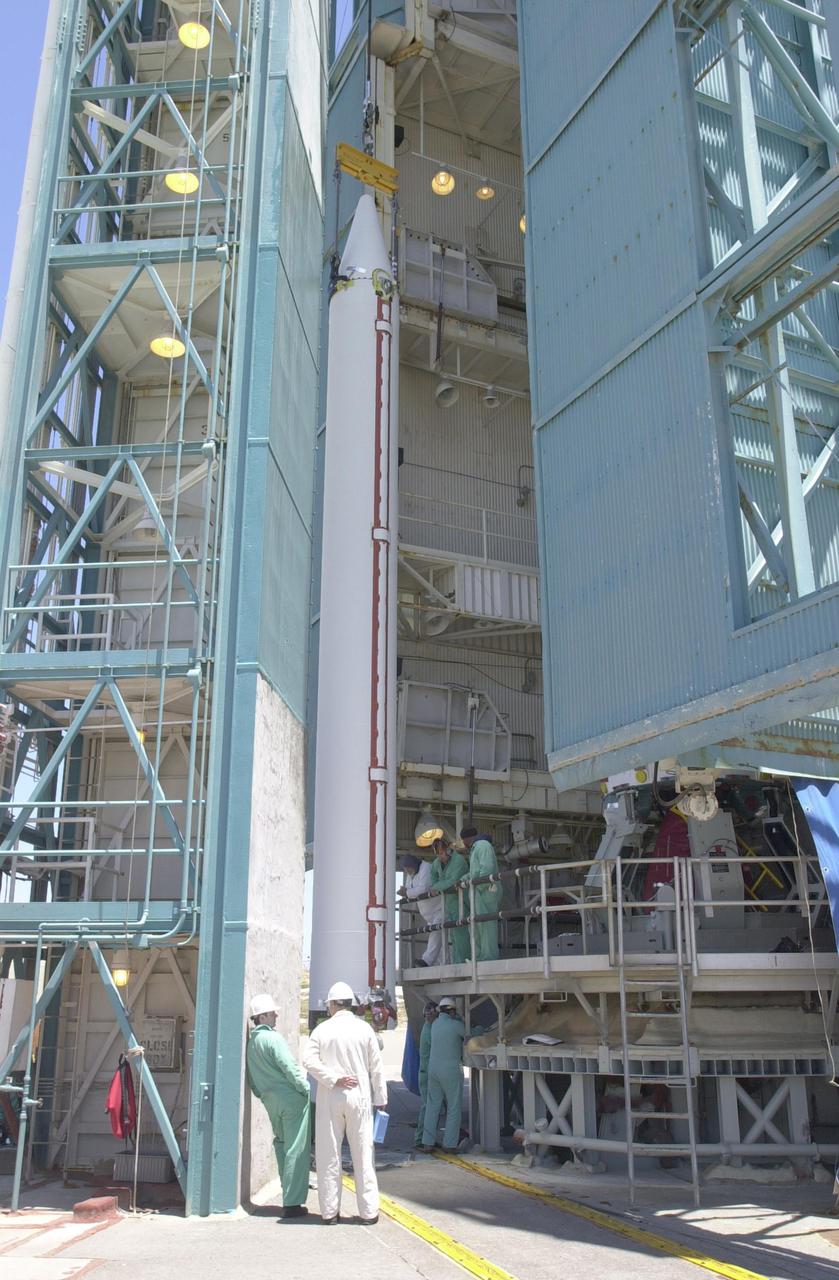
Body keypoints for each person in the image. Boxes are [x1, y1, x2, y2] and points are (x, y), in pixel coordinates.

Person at [303, 981, 387, 1226]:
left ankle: (330, 1213)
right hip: (360, 1097)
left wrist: (332, 1078)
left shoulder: (322, 1030)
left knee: (329, 1154)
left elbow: (308, 1059)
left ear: (331, 1004)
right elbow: (376, 1068)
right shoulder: (365, 1030)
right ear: (351, 1004)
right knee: (363, 1154)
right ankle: (369, 1212)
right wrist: (380, 1099)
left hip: (331, 1096)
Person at [245, 993, 311, 1220]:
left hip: (270, 1100)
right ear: (262, 1016)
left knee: (282, 1145)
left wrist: (263, 1095)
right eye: (272, 1012)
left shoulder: (253, 1043)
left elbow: (252, 1080)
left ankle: (288, 1194)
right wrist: (305, 1090)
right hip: (291, 1100)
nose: (276, 1015)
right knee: (296, 1149)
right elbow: (290, 1068)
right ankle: (292, 1203)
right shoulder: (274, 1039)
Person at [417, 997, 465, 1152]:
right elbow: (471, 1034)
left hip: (433, 1070)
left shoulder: (434, 1025)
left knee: (432, 1105)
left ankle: (427, 1142)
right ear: (452, 1010)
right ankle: (450, 1144)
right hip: (451, 1070)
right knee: (453, 1107)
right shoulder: (456, 1025)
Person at [461, 825, 500, 961]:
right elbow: (475, 872)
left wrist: (478, 886)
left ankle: (489, 958)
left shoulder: (482, 846)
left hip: (486, 891)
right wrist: (463, 880)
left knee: (486, 926)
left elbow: (487, 869)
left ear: (466, 839)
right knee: (477, 925)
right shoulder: (476, 848)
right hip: (480, 891)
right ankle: (479, 957)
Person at [429, 836, 470, 963]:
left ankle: (465, 960)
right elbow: (433, 877)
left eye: (441, 853)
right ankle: (458, 962)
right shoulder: (437, 863)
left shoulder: (458, 861)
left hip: (463, 901)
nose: (440, 856)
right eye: (438, 854)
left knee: (463, 932)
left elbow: (453, 881)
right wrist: (437, 886)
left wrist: (437, 887)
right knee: (454, 934)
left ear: (448, 850)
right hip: (450, 903)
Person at [398, 853, 443, 966]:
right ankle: (443, 962)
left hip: (440, 908)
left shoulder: (426, 868)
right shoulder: (411, 872)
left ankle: (426, 961)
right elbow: (409, 888)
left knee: (436, 934)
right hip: (429, 913)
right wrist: (406, 892)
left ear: (413, 864)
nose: (407, 871)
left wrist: (407, 892)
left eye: (408, 868)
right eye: (405, 869)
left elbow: (423, 889)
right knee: (439, 937)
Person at [415, 1001, 438, 1148]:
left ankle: (424, 1137)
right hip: (427, 1073)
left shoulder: (427, 1028)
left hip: (426, 1072)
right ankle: (420, 1138)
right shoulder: (430, 1031)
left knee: (428, 1106)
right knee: (427, 1107)